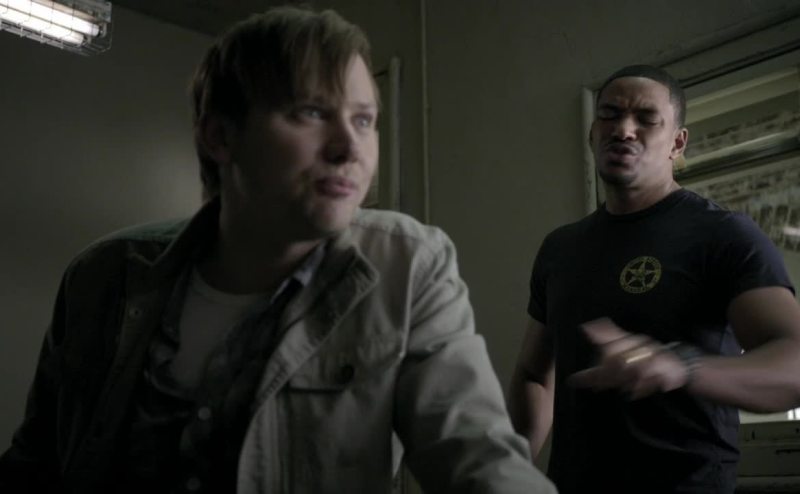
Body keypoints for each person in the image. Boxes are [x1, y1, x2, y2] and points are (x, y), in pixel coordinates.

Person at [0, 7, 556, 494]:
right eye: (311, 112)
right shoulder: (103, 277)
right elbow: (36, 463)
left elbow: (478, 458)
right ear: (220, 136)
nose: (350, 148)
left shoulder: (407, 266)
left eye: (364, 120)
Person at [509, 64, 800, 493]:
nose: (623, 130)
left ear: (677, 143)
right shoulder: (560, 248)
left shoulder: (723, 234)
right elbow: (534, 375)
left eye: (646, 119)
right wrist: (506, 472)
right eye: (609, 115)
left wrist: (683, 366)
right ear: (593, 133)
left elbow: (794, 367)